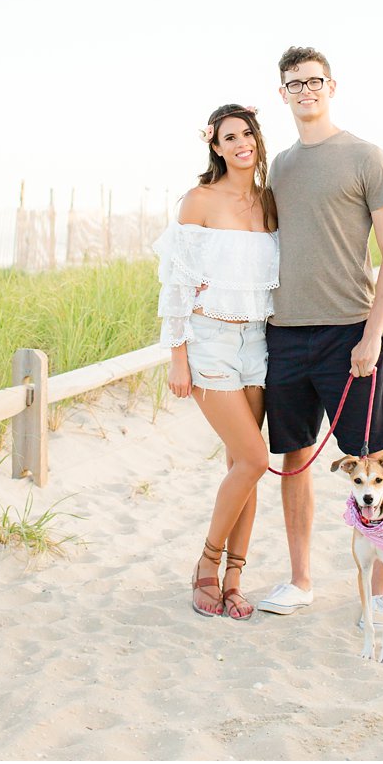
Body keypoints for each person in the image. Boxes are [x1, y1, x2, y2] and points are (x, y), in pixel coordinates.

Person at [256, 46, 383, 618]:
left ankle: (379, 594)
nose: (305, 91)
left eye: (314, 81)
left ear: (332, 86)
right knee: (293, 460)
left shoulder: (366, 157)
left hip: (350, 333)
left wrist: (372, 336)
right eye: (294, 84)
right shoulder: (280, 168)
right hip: (286, 336)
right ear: (283, 93)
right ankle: (300, 580)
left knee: (372, 458)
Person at [153, 103, 280, 620]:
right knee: (254, 458)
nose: (239, 144)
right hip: (210, 342)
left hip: (259, 343)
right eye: (228, 137)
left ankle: (234, 580)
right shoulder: (199, 201)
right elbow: (176, 283)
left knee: (242, 468)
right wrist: (177, 356)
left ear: (256, 138)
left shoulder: (271, 203)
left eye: (246, 134)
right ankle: (207, 564)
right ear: (215, 145)